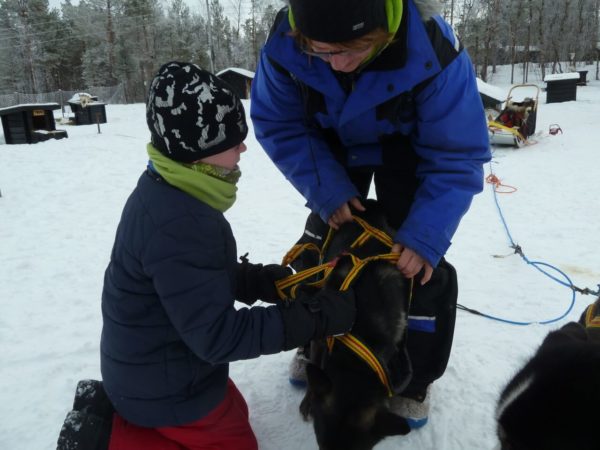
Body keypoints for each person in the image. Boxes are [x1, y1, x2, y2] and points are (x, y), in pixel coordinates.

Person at [57, 62, 356, 450]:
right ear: (200, 151)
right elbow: (219, 337)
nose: (243, 148)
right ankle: (106, 438)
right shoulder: (181, 222)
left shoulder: (165, 189)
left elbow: (194, 280)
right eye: (233, 141)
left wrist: (267, 282)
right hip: (163, 388)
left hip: (157, 366)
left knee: (233, 410)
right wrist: (316, 318)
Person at [250, 0, 491, 429]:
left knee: (414, 260)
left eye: (352, 50)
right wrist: (326, 189)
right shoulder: (284, 47)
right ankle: (315, 339)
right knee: (326, 240)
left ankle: (414, 374)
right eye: (322, 52)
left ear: (382, 31)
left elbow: (457, 154)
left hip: (411, 147)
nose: (338, 65)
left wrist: (426, 235)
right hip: (330, 143)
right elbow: (279, 123)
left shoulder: (433, 49)